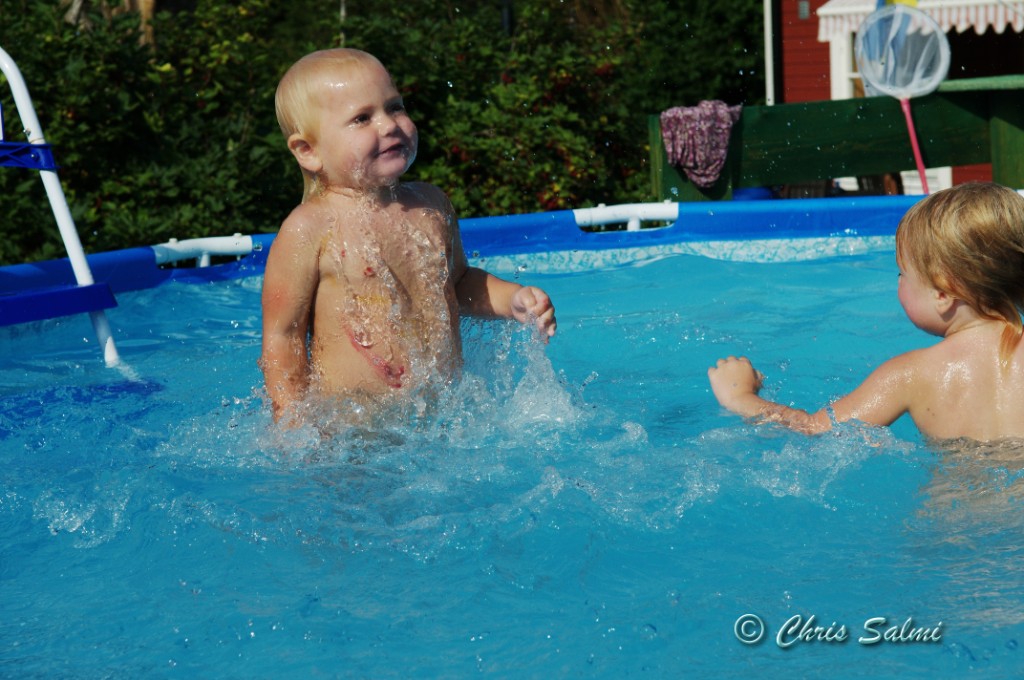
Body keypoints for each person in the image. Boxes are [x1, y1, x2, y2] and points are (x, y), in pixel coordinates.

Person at [260, 48, 556, 424]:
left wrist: (511, 300)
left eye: (395, 107)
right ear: (308, 151)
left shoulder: (431, 205)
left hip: (439, 417)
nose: (389, 125)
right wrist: (291, 422)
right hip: (352, 428)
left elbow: (457, 284)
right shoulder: (310, 227)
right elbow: (283, 336)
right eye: (362, 118)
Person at [708, 182, 1024, 442]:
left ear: (942, 293)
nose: (898, 282)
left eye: (902, 274)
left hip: (953, 515)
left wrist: (741, 397)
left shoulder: (910, 373)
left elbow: (815, 430)